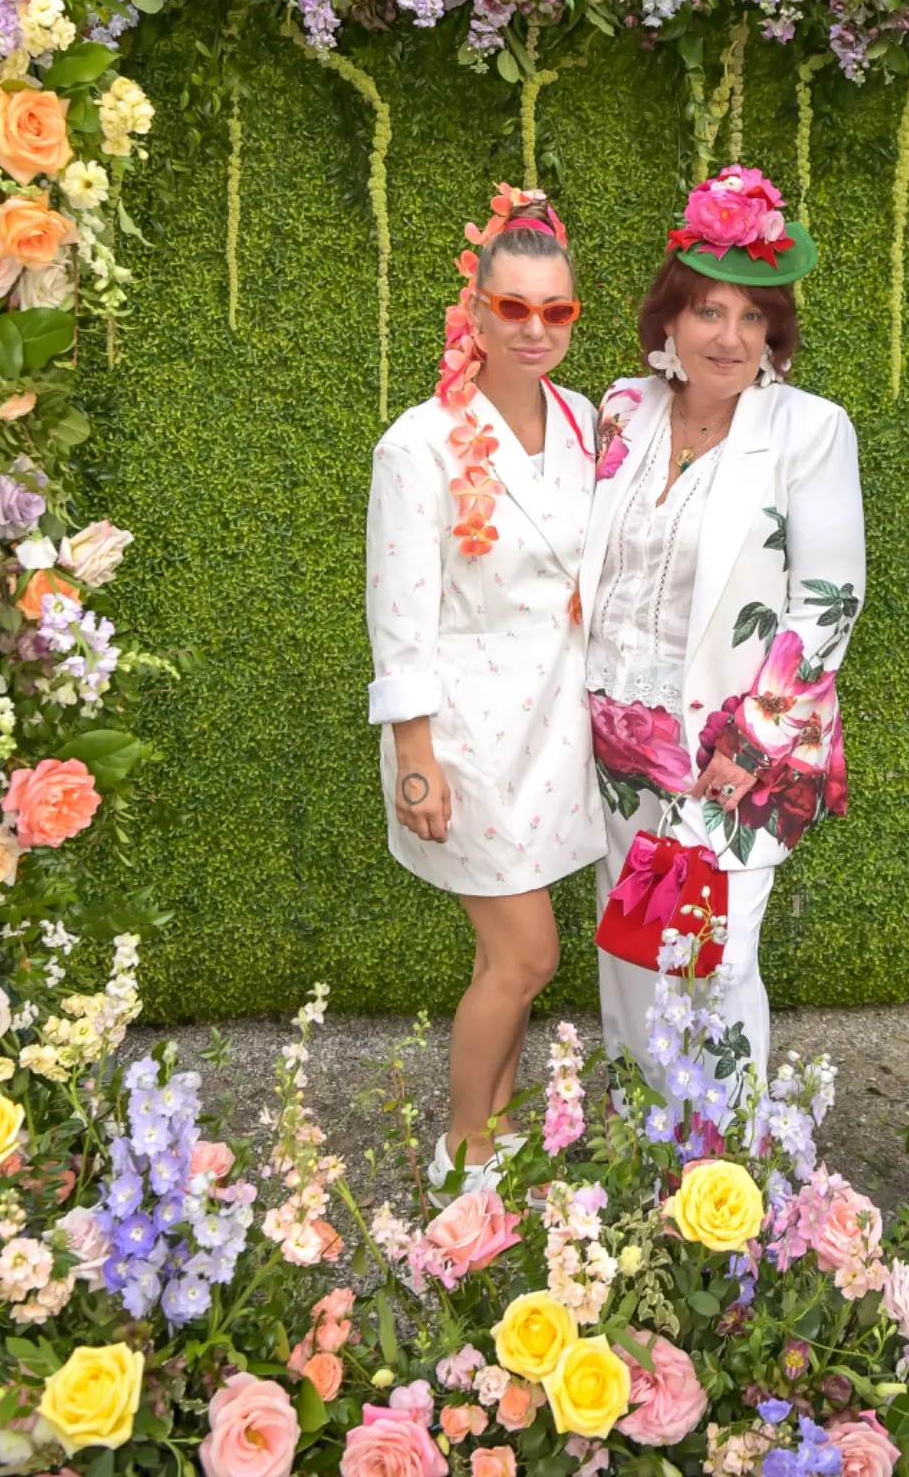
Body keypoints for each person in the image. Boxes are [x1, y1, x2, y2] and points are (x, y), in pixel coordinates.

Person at [580, 164, 865, 1094]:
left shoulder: (808, 429)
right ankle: (640, 1142)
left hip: (731, 750)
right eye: (708, 311)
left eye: (752, 317)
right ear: (668, 320)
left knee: (717, 959)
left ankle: (725, 1156)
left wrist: (752, 741)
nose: (730, 337)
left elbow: (829, 598)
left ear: (774, 334)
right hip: (614, 738)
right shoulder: (622, 410)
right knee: (631, 945)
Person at [366, 184, 603, 1194]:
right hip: (464, 737)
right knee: (526, 956)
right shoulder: (418, 444)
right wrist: (414, 754)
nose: (534, 329)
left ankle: (499, 1130)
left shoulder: (586, 420)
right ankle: (461, 1155)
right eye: (513, 307)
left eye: (556, 309)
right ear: (475, 310)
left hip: (556, 728)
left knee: (508, 961)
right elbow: (399, 609)